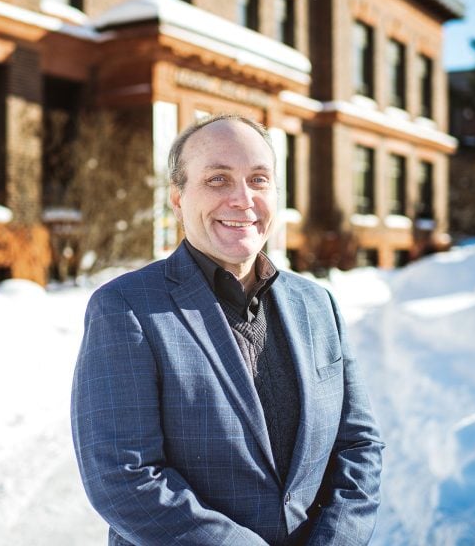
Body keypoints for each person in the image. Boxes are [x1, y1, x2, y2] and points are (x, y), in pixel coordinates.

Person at [71, 113, 384, 545]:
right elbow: (123, 478)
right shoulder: (125, 308)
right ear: (178, 198)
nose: (243, 199)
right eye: (218, 179)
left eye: (259, 179)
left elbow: (358, 447)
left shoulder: (317, 305)